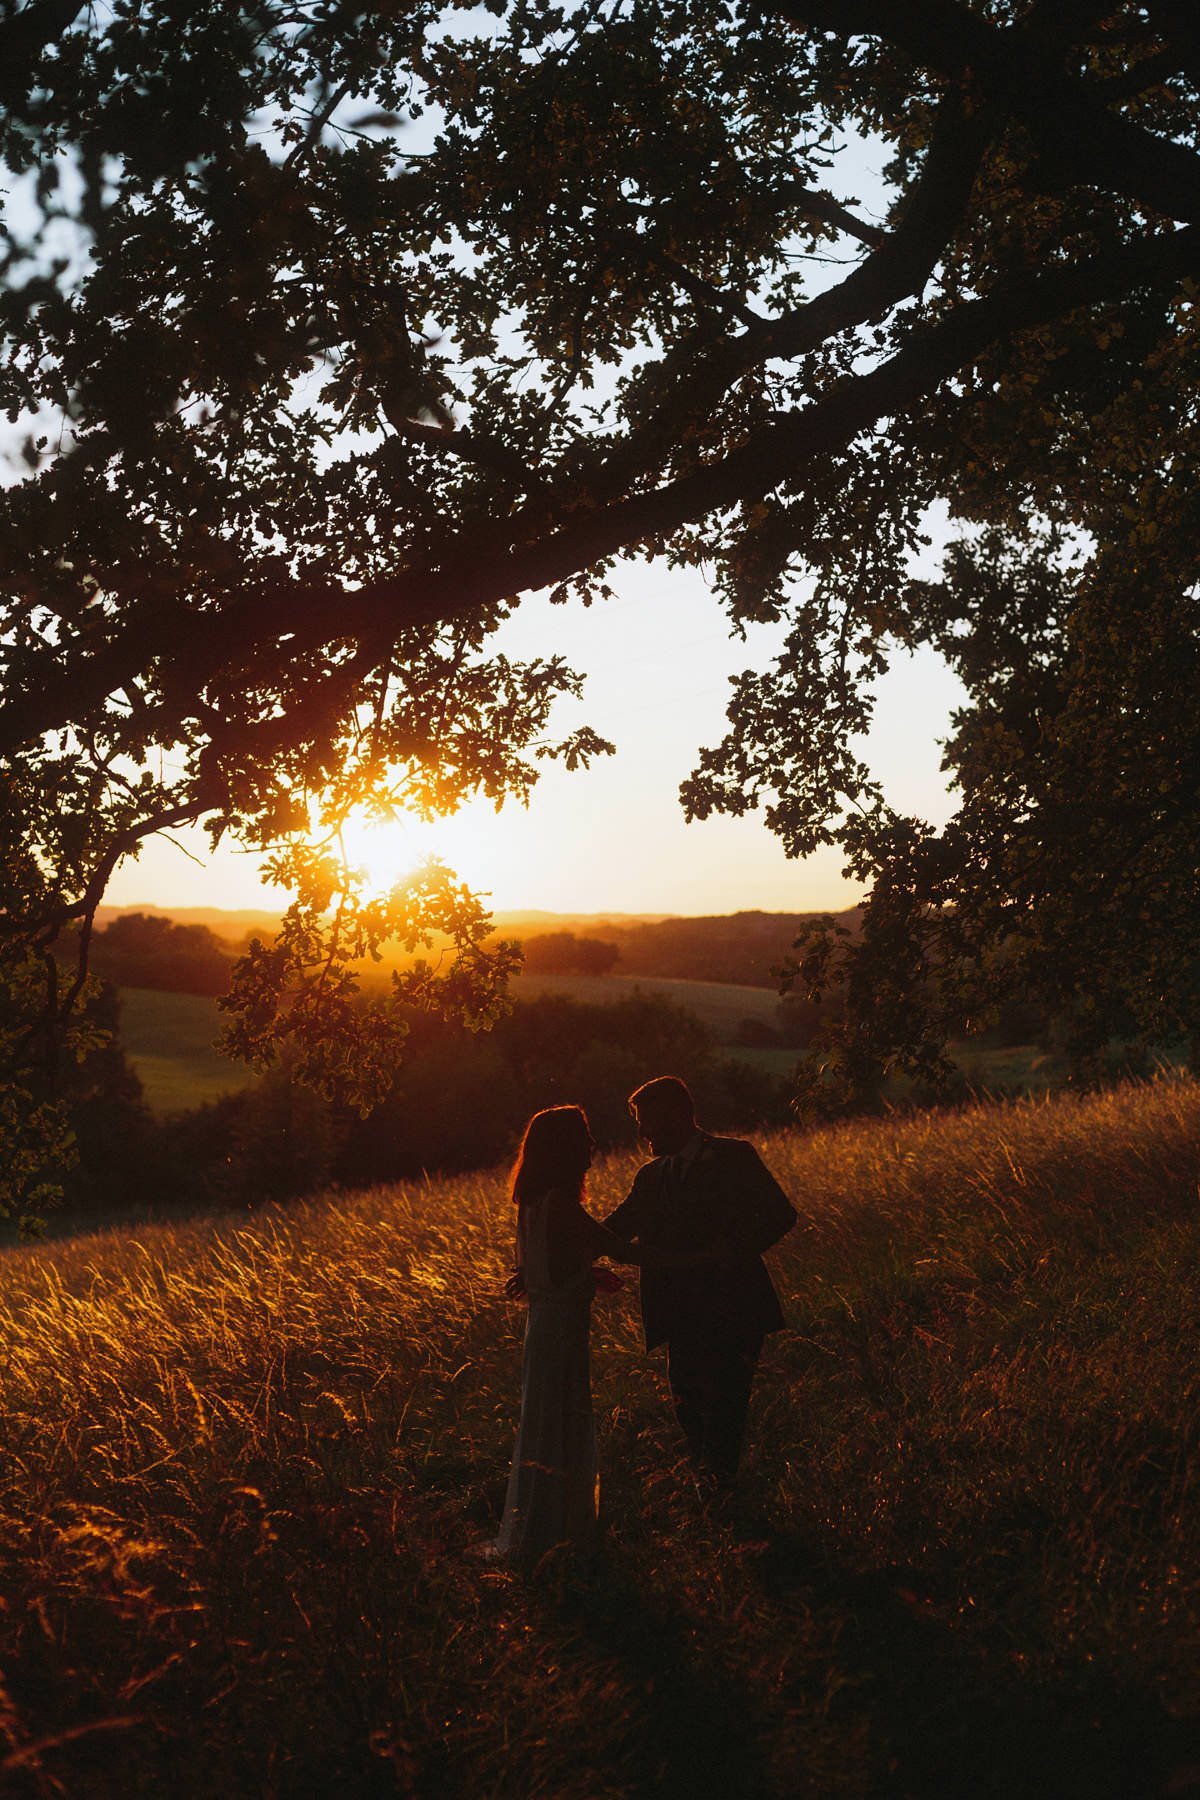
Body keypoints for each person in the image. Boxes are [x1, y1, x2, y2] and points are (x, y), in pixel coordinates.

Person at [495, 1103, 714, 1569]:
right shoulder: (561, 1204)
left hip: (548, 1328)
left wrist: (583, 1275)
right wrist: (693, 1260)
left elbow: (548, 1269)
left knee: (546, 1419)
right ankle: (561, 1531)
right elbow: (617, 1247)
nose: (591, 1147)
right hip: (560, 1335)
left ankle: (546, 1525)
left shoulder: (534, 1203)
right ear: (563, 1148)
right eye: (584, 1138)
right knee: (563, 1419)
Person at [602, 1076, 797, 1490]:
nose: (641, 1133)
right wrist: (556, 1238)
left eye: (646, 1121)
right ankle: (709, 1493)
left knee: (725, 1407)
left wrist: (728, 1253)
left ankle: (718, 1495)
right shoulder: (650, 1176)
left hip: (734, 1305)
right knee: (687, 1405)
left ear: (676, 1114)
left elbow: (781, 1214)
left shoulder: (734, 1156)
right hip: (679, 1313)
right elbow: (614, 1230)